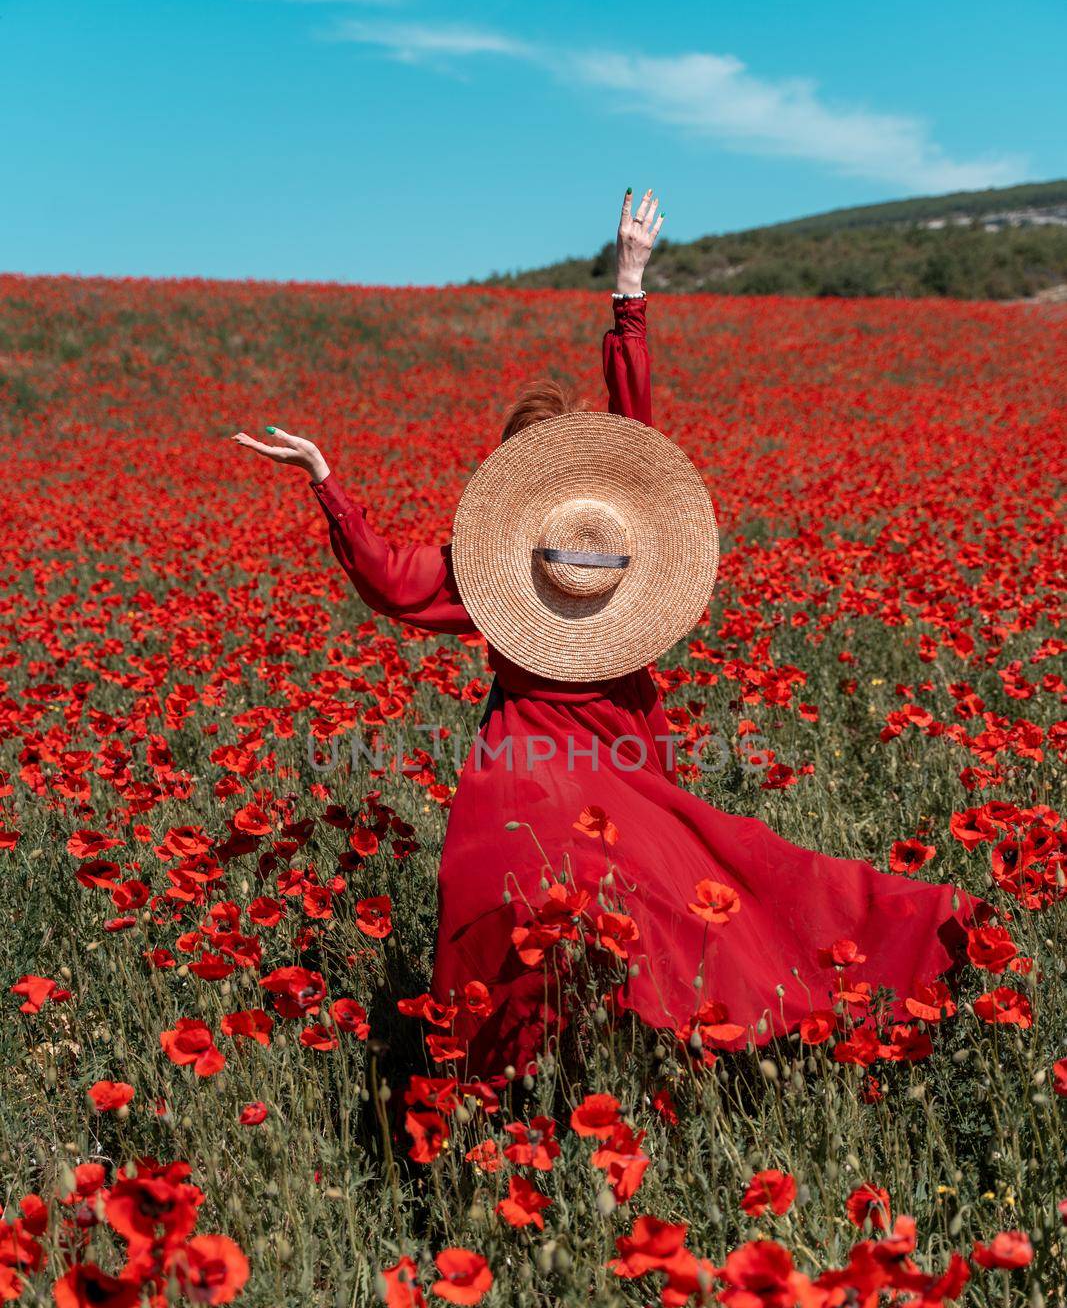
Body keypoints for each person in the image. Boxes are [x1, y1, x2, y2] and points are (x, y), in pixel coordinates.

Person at [234, 188, 985, 1085]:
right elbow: (637, 435)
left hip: (527, 768)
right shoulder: (621, 557)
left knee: (539, 898)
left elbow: (389, 580)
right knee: (685, 898)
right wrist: (628, 288)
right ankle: (584, 1063)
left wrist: (329, 485)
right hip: (614, 764)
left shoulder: (503, 568)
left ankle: (512, 1080)